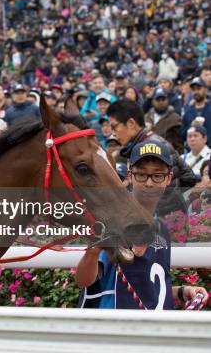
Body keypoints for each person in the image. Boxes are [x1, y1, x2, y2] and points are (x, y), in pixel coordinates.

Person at [76, 141, 208, 309]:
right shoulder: (113, 221)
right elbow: (83, 281)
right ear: (130, 175)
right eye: (142, 175)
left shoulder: (162, 230)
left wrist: (183, 291)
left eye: (157, 175)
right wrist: (93, 251)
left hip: (151, 330)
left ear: (168, 178)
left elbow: (152, 292)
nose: (149, 183)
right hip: (116, 328)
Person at [144, 88, 183, 154]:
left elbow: (179, 145)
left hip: (168, 155)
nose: (161, 102)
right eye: (158, 99)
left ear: (168, 100)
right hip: (148, 154)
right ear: (153, 101)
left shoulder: (175, 118)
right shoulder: (147, 116)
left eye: (163, 99)